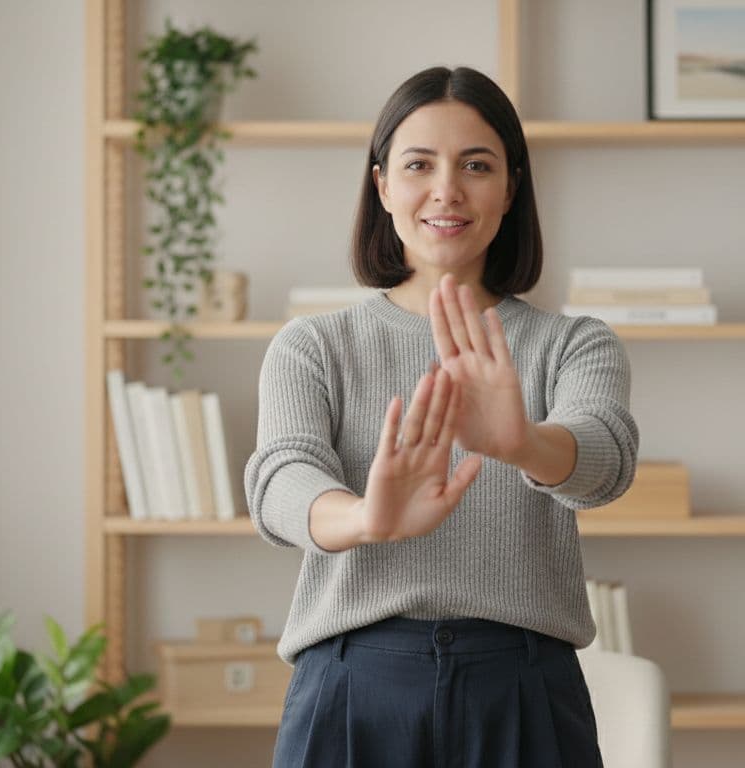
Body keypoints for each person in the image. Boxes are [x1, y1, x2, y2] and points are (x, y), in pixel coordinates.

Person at [244, 65, 639, 768]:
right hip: (351, 688)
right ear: (383, 185)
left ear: (511, 187)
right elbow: (281, 481)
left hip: (523, 688)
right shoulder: (313, 345)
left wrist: (523, 444)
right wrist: (367, 516)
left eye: (476, 165)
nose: (446, 190)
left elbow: (603, 460)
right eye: (419, 164)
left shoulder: (574, 343)